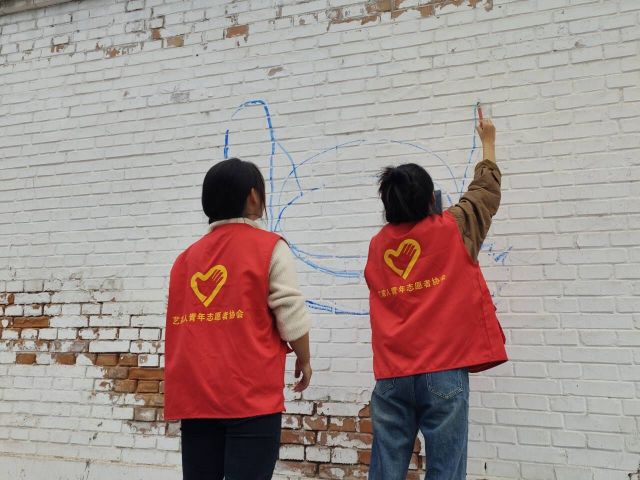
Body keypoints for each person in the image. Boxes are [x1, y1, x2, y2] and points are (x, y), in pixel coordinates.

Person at [364, 119, 508, 480]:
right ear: (432, 200)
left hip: (393, 374)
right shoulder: (456, 227)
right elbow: (485, 192)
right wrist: (488, 141)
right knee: (446, 471)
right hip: (444, 370)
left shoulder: (378, 246)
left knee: (385, 471)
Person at [164, 158, 312, 480]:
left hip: (196, 397)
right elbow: (290, 311)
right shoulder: (269, 247)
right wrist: (304, 358)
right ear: (253, 197)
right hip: (251, 397)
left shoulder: (184, 260)